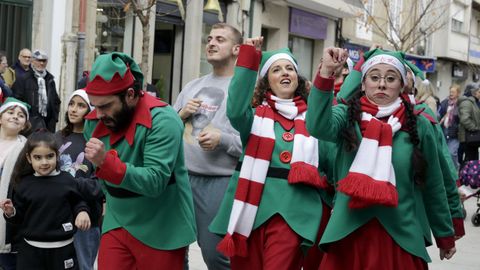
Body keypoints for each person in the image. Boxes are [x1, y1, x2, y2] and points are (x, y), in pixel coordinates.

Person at [306, 47, 456, 269]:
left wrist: (444, 233)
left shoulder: (420, 124)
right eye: (374, 77)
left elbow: (433, 184)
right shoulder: (346, 116)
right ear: (363, 82)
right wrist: (326, 73)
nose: (382, 84)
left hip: (400, 238)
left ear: (402, 84)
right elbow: (317, 126)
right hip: (348, 236)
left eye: (390, 78)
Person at [209, 37, 332, 270]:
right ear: (267, 81)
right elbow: (235, 110)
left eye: (290, 68)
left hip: (295, 214)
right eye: (276, 69)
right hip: (251, 211)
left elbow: (330, 163)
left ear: (297, 77)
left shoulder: (315, 121)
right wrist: (248, 59)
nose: (285, 73)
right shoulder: (254, 117)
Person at [82, 52, 196, 270]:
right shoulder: (93, 124)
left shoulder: (164, 120)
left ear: (130, 95)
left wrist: (106, 162)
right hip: (118, 220)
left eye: (105, 106)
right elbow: (105, 182)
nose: (99, 114)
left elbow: (155, 181)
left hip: (162, 225)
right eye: (95, 106)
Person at [173, 23, 242, 270]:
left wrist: (222, 139)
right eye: (210, 38)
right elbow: (168, 129)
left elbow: (257, 144)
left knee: (214, 253)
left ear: (237, 49)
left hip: (220, 182)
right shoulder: (193, 85)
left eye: (220, 40)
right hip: (182, 178)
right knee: (173, 250)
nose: (211, 43)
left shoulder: (244, 89)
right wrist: (180, 114)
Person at [0, 130, 91, 270]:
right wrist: (11, 212)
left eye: (49, 156)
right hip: (30, 252)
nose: (44, 162)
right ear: (29, 158)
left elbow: (78, 202)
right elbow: (18, 219)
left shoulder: (67, 179)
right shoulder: (23, 184)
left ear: (57, 155)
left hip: (63, 250)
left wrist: (82, 212)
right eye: (38, 157)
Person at [55, 89, 103, 270]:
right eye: (71, 104)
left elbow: (100, 185)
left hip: (86, 219)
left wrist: (68, 183)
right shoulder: (57, 138)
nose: (73, 109)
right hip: (57, 213)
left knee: (82, 266)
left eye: (81, 105)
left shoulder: (97, 142)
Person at [0, 98, 30, 270]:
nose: (15, 117)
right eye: (10, 113)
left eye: (20, 115)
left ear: (25, 124)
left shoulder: (26, 148)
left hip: (10, 221)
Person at [12, 49, 60, 133]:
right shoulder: (24, 79)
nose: (41, 63)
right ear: (32, 61)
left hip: (48, 124)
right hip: (29, 123)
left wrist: (54, 118)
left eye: (44, 61)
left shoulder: (50, 79)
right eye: (38, 60)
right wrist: (25, 119)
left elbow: (56, 100)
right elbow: (17, 100)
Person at [439, 85, 461, 169]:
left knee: (452, 153)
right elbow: (439, 114)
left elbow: (461, 118)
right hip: (444, 131)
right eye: (450, 91)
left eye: (453, 92)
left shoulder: (459, 104)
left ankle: (455, 169)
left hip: (454, 133)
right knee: (445, 154)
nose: (451, 93)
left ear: (458, 93)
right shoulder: (445, 102)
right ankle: (448, 171)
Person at [458, 85, 480, 164]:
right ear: (473, 93)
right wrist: (475, 128)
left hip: (472, 138)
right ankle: (464, 176)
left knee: (472, 162)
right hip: (468, 138)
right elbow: (464, 119)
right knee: (468, 162)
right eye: (478, 92)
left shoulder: (474, 102)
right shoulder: (467, 102)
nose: (479, 94)